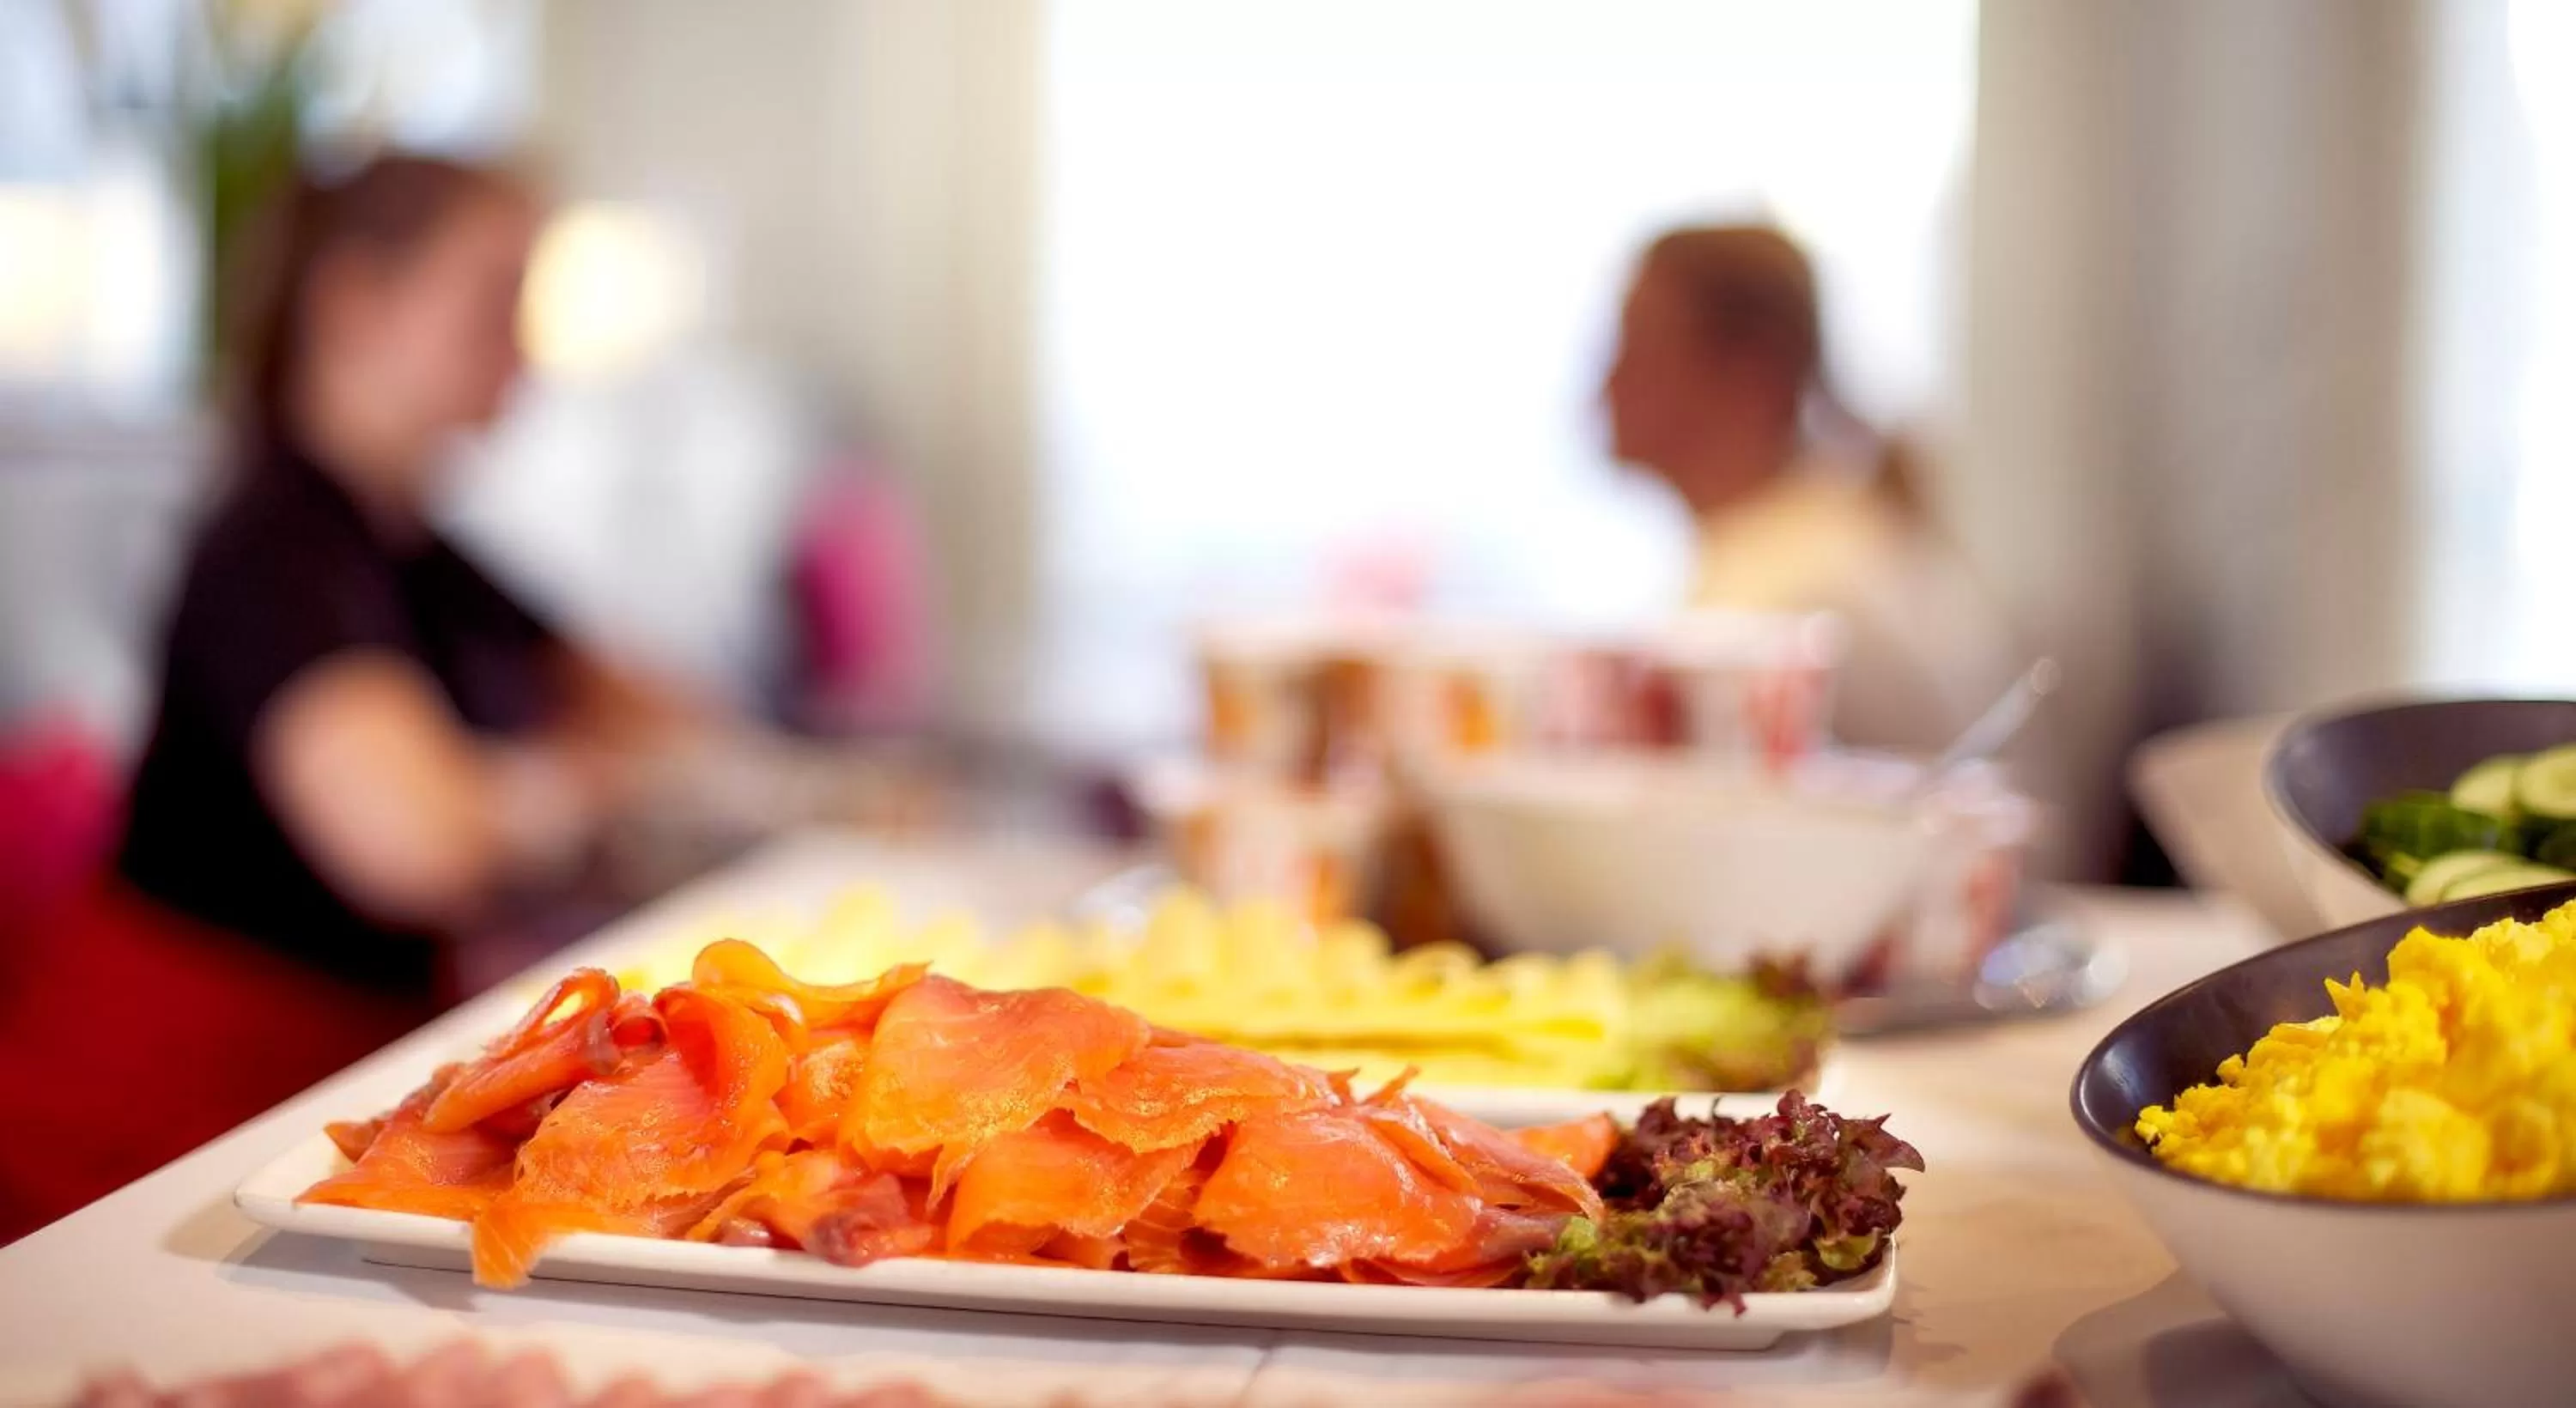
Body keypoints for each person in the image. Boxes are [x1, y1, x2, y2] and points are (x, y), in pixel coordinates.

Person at [118, 155, 702, 1008]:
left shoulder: (423, 550)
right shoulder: (273, 550)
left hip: (326, 1046)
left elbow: (644, 703)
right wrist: (597, 783)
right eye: (495, 304)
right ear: (355, 301)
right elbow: (419, 844)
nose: (522, 353)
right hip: (189, 1063)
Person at [1602, 223, 2017, 755]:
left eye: (1638, 344)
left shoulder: (1785, 603)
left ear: (1753, 372)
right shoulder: (1827, 535)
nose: (1607, 379)